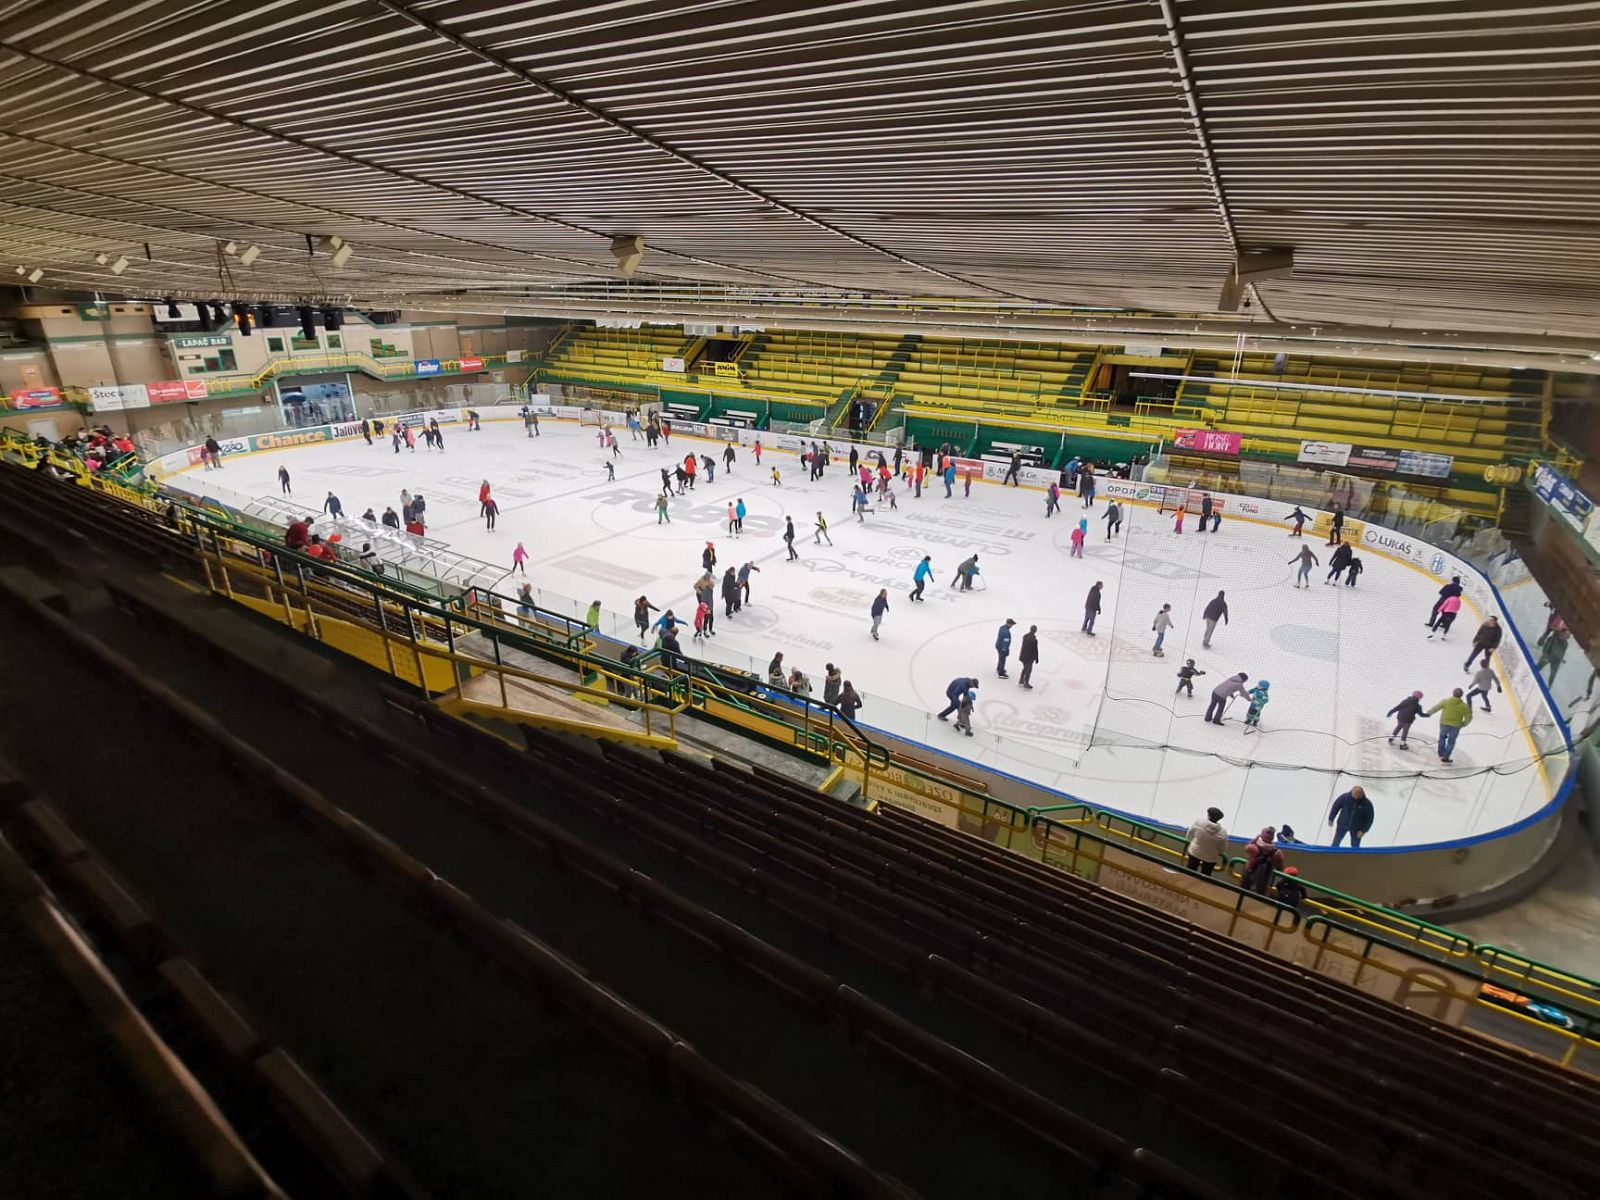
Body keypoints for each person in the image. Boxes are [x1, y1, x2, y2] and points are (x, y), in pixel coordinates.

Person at [1426, 688, 1473, 763]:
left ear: (1453, 693)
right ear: (1461, 695)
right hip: (1456, 726)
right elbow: (1469, 717)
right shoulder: (1464, 706)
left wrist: (1429, 713)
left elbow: (1436, 708)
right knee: (1451, 742)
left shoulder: (1446, 701)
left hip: (1444, 723)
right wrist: (1464, 724)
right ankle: (1445, 757)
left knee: (1442, 738)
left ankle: (1440, 753)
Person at [1185, 807, 1228, 876]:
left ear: (1209, 815)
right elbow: (1222, 848)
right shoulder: (1223, 832)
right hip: (1210, 858)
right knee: (1205, 876)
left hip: (1195, 852)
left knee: (1190, 872)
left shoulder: (1198, 822)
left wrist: (1190, 841)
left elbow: (1190, 834)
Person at [1239, 828, 1283, 894]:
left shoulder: (1276, 853)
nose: (1268, 835)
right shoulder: (1254, 847)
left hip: (1261, 879)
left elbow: (1280, 868)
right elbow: (1280, 868)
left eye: (1270, 833)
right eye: (1268, 833)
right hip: (1252, 877)